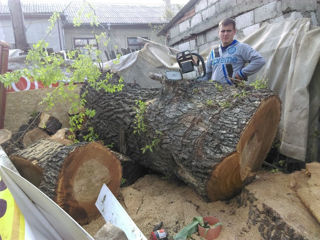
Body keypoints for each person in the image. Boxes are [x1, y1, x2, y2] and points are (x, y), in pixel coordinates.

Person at [202, 18, 265, 84]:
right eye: (222, 31)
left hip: (234, 92)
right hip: (216, 92)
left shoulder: (241, 47)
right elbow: (207, 74)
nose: (225, 34)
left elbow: (259, 60)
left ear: (234, 32)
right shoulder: (214, 52)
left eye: (229, 31)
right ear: (219, 33)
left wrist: (241, 74)